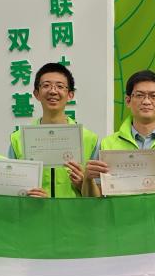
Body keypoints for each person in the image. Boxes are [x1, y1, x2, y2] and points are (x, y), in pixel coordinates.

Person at [83, 70, 155, 197]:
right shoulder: (107, 144)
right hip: (121, 211)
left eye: (153, 96)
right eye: (139, 95)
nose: (146, 101)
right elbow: (95, 197)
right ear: (128, 101)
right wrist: (88, 179)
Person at [8, 63, 98, 197]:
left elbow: (98, 198)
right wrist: (26, 194)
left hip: (74, 211)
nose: (53, 91)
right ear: (36, 94)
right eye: (46, 85)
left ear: (70, 95)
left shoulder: (89, 138)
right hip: (34, 211)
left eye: (60, 86)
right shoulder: (18, 138)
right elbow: (11, 189)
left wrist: (83, 184)